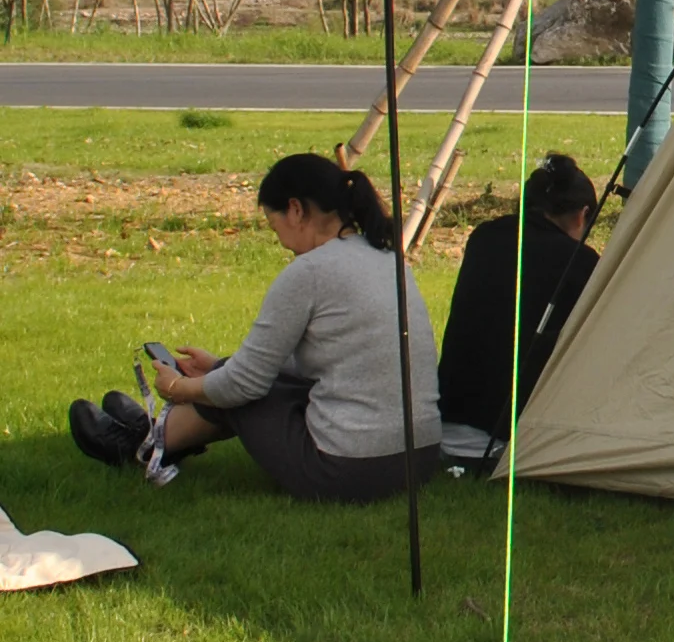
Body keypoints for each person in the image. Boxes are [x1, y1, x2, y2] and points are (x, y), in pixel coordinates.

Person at [68, 154, 439, 502]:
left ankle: (144, 444)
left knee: (239, 391)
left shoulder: (309, 271)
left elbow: (244, 385)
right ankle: (155, 434)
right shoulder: (387, 257)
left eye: (272, 223)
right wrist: (217, 368)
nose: (278, 239)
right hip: (418, 459)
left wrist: (180, 387)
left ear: (295, 210)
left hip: (350, 470)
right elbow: (340, 362)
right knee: (233, 373)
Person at [436, 151, 601, 463]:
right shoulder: (579, 261)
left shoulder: (483, 237)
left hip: (449, 416)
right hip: (510, 435)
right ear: (582, 215)